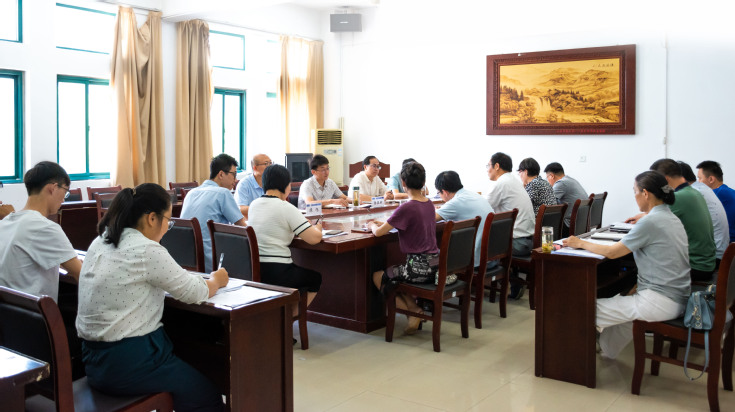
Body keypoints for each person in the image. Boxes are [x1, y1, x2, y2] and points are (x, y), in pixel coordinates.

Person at [76, 183, 228, 412]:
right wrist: (216, 280)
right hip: (130, 363)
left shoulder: (101, 241)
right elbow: (195, 292)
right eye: (168, 220)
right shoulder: (146, 249)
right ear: (151, 218)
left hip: (94, 362)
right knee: (207, 396)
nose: (167, 227)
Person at [564, 171, 690, 359]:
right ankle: (608, 350)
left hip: (660, 301)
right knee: (624, 308)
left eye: (635, 192)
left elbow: (612, 252)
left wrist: (580, 243)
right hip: (679, 297)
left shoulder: (651, 221)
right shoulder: (671, 218)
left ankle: (573, 361)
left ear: (645, 193)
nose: (635, 196)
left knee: (581, 308)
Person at [370, 161, 438, 334]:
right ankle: (414, 310)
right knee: (396, 274)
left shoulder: (407, 207)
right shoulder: (429, 203)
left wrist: (371, 225)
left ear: (403, 182)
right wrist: (386, 223)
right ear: (423, 182)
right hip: (435, 266)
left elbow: (378, 233)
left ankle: (412, 313)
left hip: (417, 269)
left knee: (379, 277)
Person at [248, 165, 323, 318]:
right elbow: (314, 239)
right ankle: (288, 320)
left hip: (253, 268)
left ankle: (281, 321)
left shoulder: (254, 205)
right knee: (315, 278)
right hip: (278, 272)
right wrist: (318, 228)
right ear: (285, 185)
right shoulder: (285, 207)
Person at [0, 161, 81, 301]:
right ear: (53, 188)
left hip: (11, 310)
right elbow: (82, 274)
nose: (63, 199)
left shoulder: (5, 222)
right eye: (65, 191)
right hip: (36, 312)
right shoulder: (45, 227)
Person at [626, 159, 715, 282]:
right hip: (706, 262)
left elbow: (655, 218)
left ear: (665, 180)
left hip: (695, 265)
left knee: (639, 256)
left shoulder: (680, 197)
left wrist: (644, 216)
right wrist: (644, 215)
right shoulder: (692, 192)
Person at [181, 154, 246, 272]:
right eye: (234, 174)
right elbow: (242, 227)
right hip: (214, 263)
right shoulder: (222, 193)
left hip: (188, 262)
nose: (236, 180)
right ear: (221, 174)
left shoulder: (191, 193)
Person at [486, 153, 536, 299]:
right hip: (528, 240)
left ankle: (481, 282)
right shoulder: (513, 181)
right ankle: (511, 282)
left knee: (477, 245)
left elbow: (483, 209)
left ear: (496, 166)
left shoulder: (502, 183)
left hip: (517, 243)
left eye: (488, 166)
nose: (487, 170)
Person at [434, 170, 494, 268]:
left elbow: (430, 219)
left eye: (438, 193)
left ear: (444, 192)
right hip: (492, 256)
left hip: (476, 261)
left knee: (433, 255)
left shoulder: (456, 202)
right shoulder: (473, 195)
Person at [679, 161, 729, 267]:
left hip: (714, 255)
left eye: (700, 178)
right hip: (723, 251)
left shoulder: (694, 193)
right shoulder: (705, 189)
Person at [697, 160, 735, 242]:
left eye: (700, 178)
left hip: (728, 243)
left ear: (711, 179)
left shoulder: (715, 194)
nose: (698, 182)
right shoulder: (730, 191)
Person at [544, 162, 588, 228]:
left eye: (547, 177)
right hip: (581, 223)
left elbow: (547, 201)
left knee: (542, 221)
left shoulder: (561, 183)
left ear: (552, 176)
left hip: (568, 224)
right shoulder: (571, 180)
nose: (547, 180)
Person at [234, 153, 272, 218]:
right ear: (255, 168)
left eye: (270, 163)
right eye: (266, 164)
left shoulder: (273, 181)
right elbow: (240, 208)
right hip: (251, 220)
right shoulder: (244, 184)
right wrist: (263, 210)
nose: (270, 166)